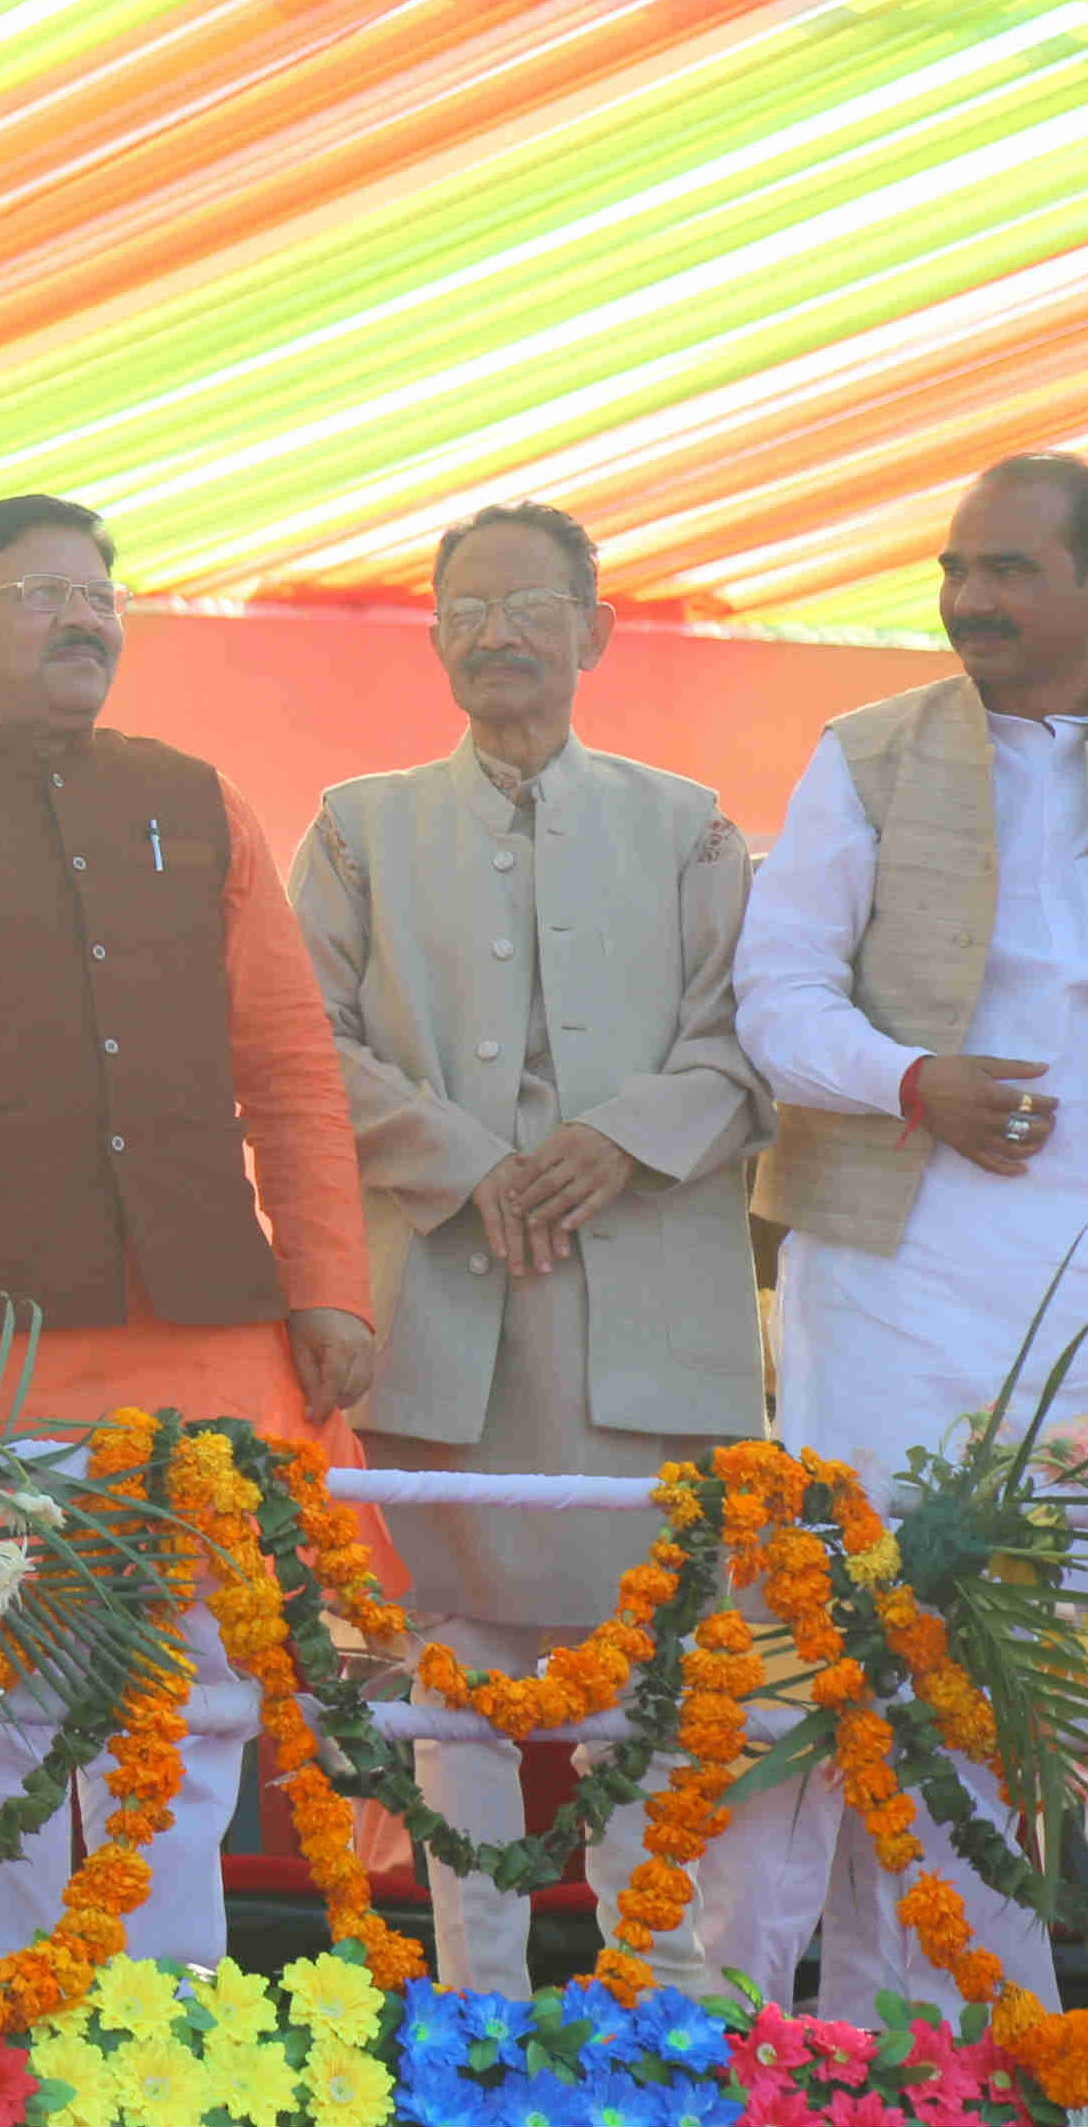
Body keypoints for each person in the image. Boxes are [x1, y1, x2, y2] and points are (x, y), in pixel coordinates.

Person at [0, 491, 372, 1971]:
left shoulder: (196, 799)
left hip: (206, 1342)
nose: (84, 616)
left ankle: (171, 2035)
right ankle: (17, 2027)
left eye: (101, 591)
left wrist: (331, 1286)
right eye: (41, 591)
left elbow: (294, 1071)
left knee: (189, 1713)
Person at [736, 451, 1088, 2027]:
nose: (973, 597)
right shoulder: (863, 754)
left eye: (1009, 568)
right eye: (956, 566)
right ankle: (938, 2057)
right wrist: (911, 1081)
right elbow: (779, 994)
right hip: (905, 1260)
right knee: (914, 1642)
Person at [288, 501, 770, 1997]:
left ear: (595, 630)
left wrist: (620, 1135)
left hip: (648, 1313)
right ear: (434, 634)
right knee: (464, 1666)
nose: (496, 633)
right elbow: (300, 1044)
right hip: (446, 1295)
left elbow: (755, 1040)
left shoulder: (689, 822)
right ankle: (474, 2002)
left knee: (658, 1670)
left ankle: (664, 2003)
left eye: (528, 604)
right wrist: (464, 1159)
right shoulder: (359, 824)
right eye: (467, 608)